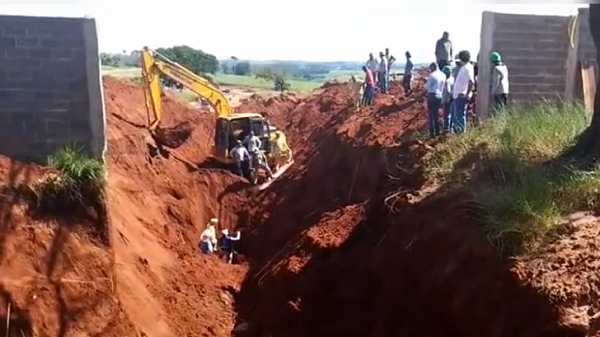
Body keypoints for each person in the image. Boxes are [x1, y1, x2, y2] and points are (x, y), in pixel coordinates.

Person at [451, 50, 475, 134]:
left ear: (461, 58)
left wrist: (466, 94)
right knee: (457, 115)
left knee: (460, 116)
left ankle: (460, 134)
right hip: (459, 95)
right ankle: (458, 133)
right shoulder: (467, 67)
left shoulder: (466, 68)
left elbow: (471, 82)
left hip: (461, 95)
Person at [425, 62, 445, 138]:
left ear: (433, 67)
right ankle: (437, 132)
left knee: (431, 115)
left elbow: (427, 87)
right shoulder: (443, 75)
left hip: (432, 95)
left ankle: (432, 133)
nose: (430, 70)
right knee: (436, 115)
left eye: (431, 68)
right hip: (440, 95)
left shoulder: (432, 75)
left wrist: (425, 83)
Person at [441, 65, 454, 132]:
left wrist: (444, 100)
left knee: (446, 115)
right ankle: (451, 127)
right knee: (451, 114)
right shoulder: (453, 79)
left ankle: (447, 128)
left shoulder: (447, 81)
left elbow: (448, 92)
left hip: (447, 100)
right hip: (453, 99)